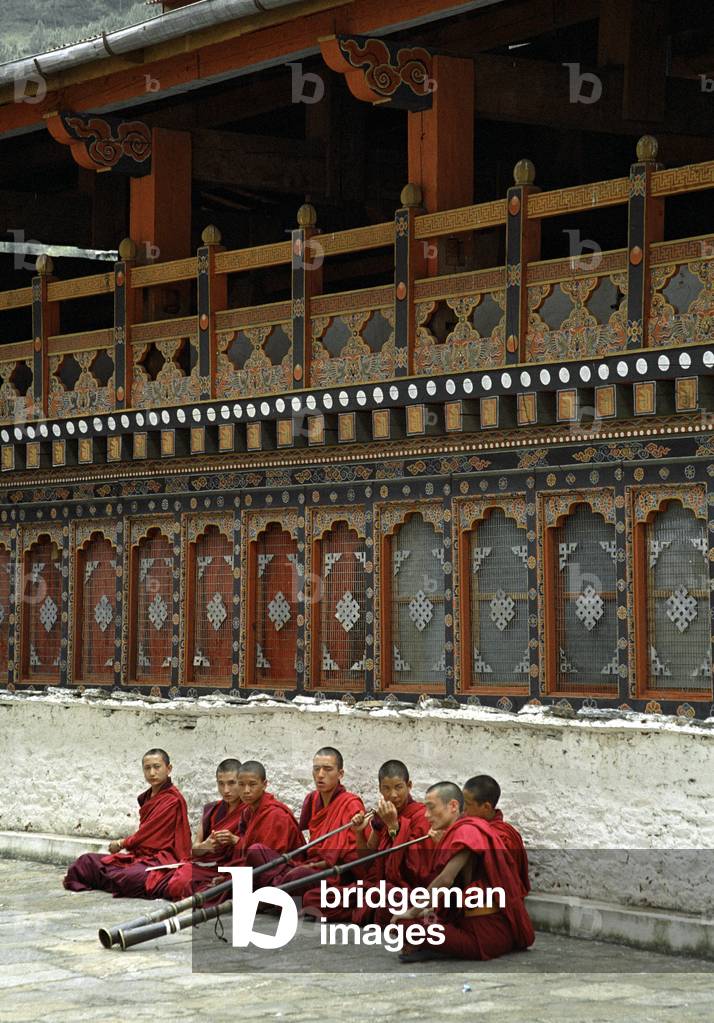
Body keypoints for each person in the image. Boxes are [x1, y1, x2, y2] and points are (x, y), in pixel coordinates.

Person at [394, 781, 534, 962]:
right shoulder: (464, 831)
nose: (426, 815)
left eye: (431, 808)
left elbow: (445, 880)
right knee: (409, 918)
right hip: (477, 925)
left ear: (453, 806)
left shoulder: (467, 831)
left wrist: (412, 912)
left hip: (483, 935)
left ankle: (440, 947)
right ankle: (435, 946)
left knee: (405, 924)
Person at [302, 758, 430, 922]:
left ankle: (364, 911)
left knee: (388, 897)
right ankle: (364, 911)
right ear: (380, 789)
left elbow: (415, 868)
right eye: (386, 788)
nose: (393, 795)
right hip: (374, 887)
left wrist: (394, 827)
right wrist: (359, 832)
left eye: (399, 787)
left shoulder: (420, 816)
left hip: (403, 888)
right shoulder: (380, 816)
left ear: (409, 785)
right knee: (312, 898)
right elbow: (366, 860)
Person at [63, 748, 191, 899]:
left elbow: (147, 833)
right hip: (139, 856)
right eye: (147, 768)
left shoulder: (172, 800)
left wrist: (121, 843)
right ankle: (112, 881)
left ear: (168, 769)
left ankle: (110, 880)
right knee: (86, 861)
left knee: (130, 876)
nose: (152, 773)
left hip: (160, 859)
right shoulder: (148, 796)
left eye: (157, 767)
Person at [246, 747, 363, 892]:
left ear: (340, 774)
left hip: (332, 875)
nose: (320, 775)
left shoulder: (350, 804)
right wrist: (300, 865)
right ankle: (280, 890)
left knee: (298, 875)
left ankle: (275, 891)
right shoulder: (313, 799)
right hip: (307, 866)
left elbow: (352, 857)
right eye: (316, 769)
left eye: (327, 769)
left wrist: (309, 867)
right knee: (256, 851)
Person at [164, 758, 244, 901]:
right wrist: (205, 846)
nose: (226, 790)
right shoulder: (211, 810)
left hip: (234, 869)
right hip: (208, 867)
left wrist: (235, 840)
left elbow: (256, 849)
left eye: (232, 783)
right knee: (179, 883)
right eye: (221, 784)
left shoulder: (249, 811)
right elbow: (194, 851)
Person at [463, 774, 531, 895]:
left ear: (486, 807)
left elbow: (501, 882)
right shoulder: (471, 826)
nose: (463, 810)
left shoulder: (503, 836)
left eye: (468, 805)